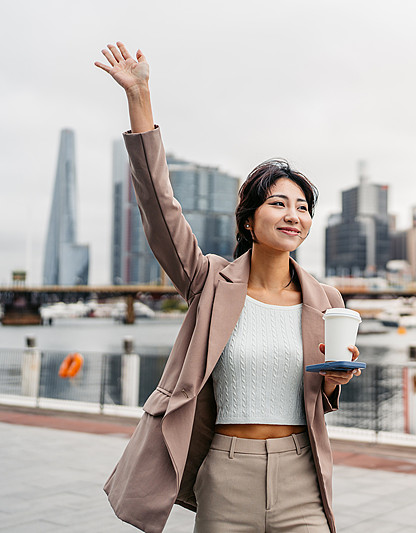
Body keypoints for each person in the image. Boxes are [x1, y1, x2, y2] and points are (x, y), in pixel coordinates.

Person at [95, 42, 360, 533]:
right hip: (227, 473)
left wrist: (333, 382)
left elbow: (316, 395)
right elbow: (160, 209)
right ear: (249, 217)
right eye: (279, 203)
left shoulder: (327, 301)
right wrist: (140, 97)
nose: (293, 216)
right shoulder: (209, 281)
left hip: (302, 475)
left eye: (302, 207)